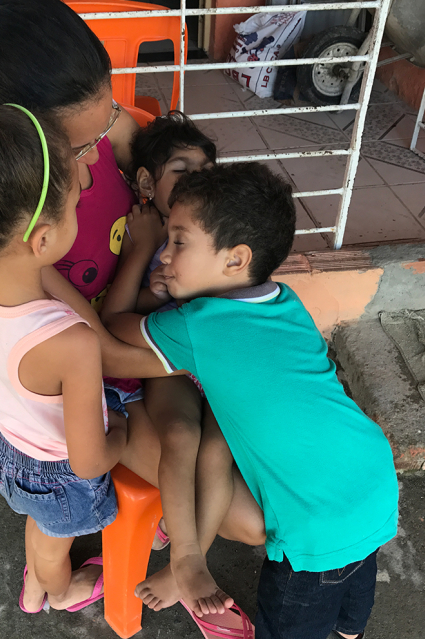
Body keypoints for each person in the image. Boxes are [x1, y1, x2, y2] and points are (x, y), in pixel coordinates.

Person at [103, 162, 399, 639]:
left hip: (313, 521)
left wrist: (139, 255)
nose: (166, 257)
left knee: (292, 619)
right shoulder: (285, 300)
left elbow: (114, 322)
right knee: (353, 580)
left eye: (178, 242)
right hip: (368, 475)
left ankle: (189, 562)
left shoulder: (198, 325)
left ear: (235, 259)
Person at [0, 0, 160, 483]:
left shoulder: (94, 127)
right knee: (201, 475)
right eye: (79, 147)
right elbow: (105, 355)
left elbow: (138, 148)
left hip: (130, 326)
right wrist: (195, 360)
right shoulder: (21, 242)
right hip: (102, 368)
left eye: (107, 117)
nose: (101, 150)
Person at [0, 66, 135, 613]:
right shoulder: (70, 344)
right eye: (74, 201)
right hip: (60, 473)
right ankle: (57, 592)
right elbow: (89, 463)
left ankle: (35, 586)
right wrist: (126, 435)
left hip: (9, 449)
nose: (87, 185)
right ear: (43, 238)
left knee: (42, 525)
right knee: (54, 533)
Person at [101, 112, 267, 618]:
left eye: (205, 168)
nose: (197, 175)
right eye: (182, 167)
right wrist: (148, 255)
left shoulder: (220, 235)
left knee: (221, 443)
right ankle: (187, 556)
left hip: (212, 366)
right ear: (149, 182)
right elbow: (118, 318)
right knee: (181, 434)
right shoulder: (146, 233)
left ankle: (182, 560)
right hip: (165, 363)